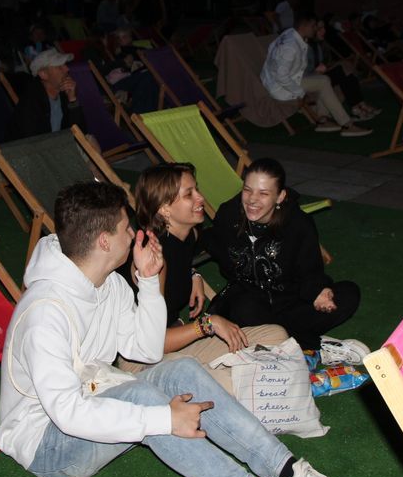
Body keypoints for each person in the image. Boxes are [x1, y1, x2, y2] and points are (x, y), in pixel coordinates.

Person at [0, 181, 365, 477]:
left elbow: (145, 350)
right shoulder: (45, 314)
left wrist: (147, 282)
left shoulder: (108, 283)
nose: (134, 234)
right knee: (144, 399)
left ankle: (288, 470)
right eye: (127, 228)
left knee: (181, 370)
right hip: (49, 444)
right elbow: (68, 413)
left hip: (96, 393)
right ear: (104, 241)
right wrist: (163, 418)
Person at [122, 163, 288, 393]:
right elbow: (152, 344)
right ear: (164, 209)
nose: (200, 197)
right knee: (223, 381)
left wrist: (193, 274)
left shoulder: (188, 234)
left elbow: (180, 260)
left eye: (196, 189)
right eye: (189, 194)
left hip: (176, 345)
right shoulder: (153, 258)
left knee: (277, 336)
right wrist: (207, 324)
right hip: (142, 361)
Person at [202, 158, 360, 350]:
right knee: (245, 308)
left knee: (348, 293)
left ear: (280, 196)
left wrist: (317, 291)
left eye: (263, 193)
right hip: (248, 302)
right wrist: (193, 274)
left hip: (289, 300)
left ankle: (283, 341)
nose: (252, 200)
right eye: (247, 190)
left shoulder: (297, 223)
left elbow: (310, 269)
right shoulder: (229, 216)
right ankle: (302, 342)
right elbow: (204, 239)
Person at [260, 13, 371, 138]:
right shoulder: (290, 46)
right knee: (323, 81)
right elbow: (281, 76)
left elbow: (272, 53)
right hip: (280, 87)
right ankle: (346, 125)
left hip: (282, 80)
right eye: (313, 26)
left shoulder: (289, 34)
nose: (315, 29)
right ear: (304, 26)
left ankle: (324, 120)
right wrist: (299, 93)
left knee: (323, 80)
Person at [307, 19, 380, 123]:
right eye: (319, 28)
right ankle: (357, 106)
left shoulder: (319, 45)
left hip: (320, 76)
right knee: (341, 70)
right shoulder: (307, 46)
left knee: (345, 67)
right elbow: (305, 71)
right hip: (311, 82)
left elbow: (325, 64)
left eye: (324, 28)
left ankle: (359, 105)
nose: (323, 31)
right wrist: (317, 69)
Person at [8, 48, 84, 140]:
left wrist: (72, 100)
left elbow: (81, 133)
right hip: (37, 146)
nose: (67, 69)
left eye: (65, 65)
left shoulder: (64, 94)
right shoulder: (31, 101)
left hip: (59, 143)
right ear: (43, 74)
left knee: (90, 140)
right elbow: (33, 141)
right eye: (59, 67)